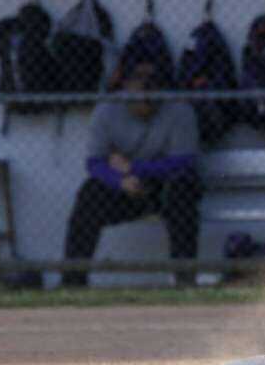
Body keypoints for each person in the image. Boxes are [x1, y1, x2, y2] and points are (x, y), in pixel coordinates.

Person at [62, 60, 201, 288]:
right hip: (127, 187)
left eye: (152, 86)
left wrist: (135, 168)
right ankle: (72, 282)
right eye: (139, 84)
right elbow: (95, 162)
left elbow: (183, 163)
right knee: (89, 193)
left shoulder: (179, 110)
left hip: (166, 186)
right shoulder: (107, 110)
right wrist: (120, 181)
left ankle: (185, 281)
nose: (146, 94)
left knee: (182, 192)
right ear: (126, 86)